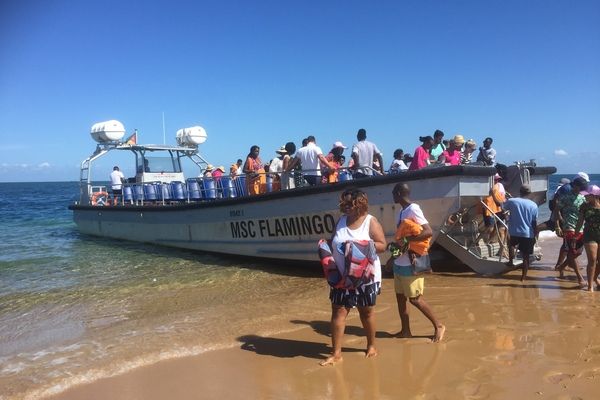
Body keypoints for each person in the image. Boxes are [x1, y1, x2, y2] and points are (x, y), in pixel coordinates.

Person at [320, 188, 386, 366]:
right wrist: (325, 249)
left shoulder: (370, 222)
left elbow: (382, 245)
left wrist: (359, 245)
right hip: (341, 276)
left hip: (365, 276)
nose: (346, 206)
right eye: (344, 203)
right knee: (338, 312)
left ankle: (371, 345)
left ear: (360, 203)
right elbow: (333, 240)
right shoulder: (341, 221)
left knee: (366, 312)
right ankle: (336, 353)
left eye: (350, 203)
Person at [391, 183, 445, 343]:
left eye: (394, 193)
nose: (392, 196)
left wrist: (407, 239)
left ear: (400, 193)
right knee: (400, 298)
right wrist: (392, 257)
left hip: (411, 263)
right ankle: (405, 330)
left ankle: (439, 325)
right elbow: (401, 241)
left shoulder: (413, 209)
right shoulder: (401, 212)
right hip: (400, 262)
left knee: (415, 299)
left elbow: (428, 231)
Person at [555, 177, 588, 286]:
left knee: (577, 252)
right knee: (572, 252)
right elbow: (557, 209)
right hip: (569, 228)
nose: (581, 189)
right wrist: (558, 225)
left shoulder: (582, 198)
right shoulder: (565, 197)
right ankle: (580, 278)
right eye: (580, 187)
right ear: (574, 186)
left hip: (581, 228)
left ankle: (561, 267)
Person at [503, 184, 538, 281]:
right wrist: (535, 234)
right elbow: (534, 222)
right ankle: (523, 277)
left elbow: (502, 207)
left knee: (511, 244)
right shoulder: (534, 205)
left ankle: (510, 261)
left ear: (520, 191)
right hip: (527, 233)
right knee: (525, 257)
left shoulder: (512, 201)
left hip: (514, 231)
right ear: (529, 193)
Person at [574, 184, 600, 291]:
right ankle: (590, 286)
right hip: (589, 235)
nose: (585, 197)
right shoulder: (584, 206)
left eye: (587, 195)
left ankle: (594, 278)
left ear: (594, 195)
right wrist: (575, 235)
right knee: (592, 260)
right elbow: (580, 221)